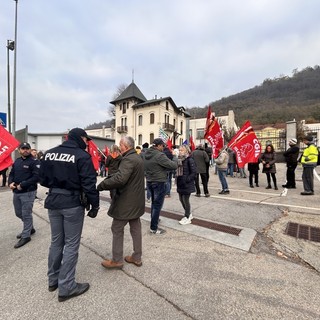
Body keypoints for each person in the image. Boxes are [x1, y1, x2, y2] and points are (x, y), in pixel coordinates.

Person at [39, 128, 100, 302]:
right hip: (72, 203)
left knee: (56, 242)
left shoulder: (49, 154)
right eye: (86, 140)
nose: (87, 143)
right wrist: (94, 205)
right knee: (72, 245)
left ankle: (53, 280)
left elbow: (42, 179)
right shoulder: (81, 156)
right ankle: (67, 286)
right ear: (79, 138)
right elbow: (89, 183)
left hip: (54, 201)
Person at [97, 136, 145, 269]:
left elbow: (120, 179)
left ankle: (117, 260)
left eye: (120, 144)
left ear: (125, 145)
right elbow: (122, 175)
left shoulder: (129, 158)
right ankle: (137, 257)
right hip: (136, 200)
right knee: (136, 228)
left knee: (117, 228)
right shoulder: (137, 157)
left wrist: (102, 185)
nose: (119, 147)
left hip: (127, 201)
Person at [8, 142, 40, 248]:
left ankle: (26, 235)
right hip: (16, 191)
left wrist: (22, 184)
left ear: (30, 150)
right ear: (19, 150)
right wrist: (10, 182)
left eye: (27, 148)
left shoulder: (34, 162)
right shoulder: (17, 161)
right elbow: (12, 173)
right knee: (18, 213)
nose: (25, 150)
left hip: (28, 192)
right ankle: (30, 228)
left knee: (26, 214)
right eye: (23, 148)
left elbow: (36, 177)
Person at [144, 138, 178, 234]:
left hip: (149, 180)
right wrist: (175, 157)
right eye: (163, 145)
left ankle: (154, 219)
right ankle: (154, 228)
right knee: (157, 205)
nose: (163, 147)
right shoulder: (159, 155)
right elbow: (173, 165)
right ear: (158, 146)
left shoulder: (147, 154)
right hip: (158, 181)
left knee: (154, 203)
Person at [176, 145, 197, 225]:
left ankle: (187, 217)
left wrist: (187, 179)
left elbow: (194, 172)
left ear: (186, 151)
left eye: (182, 150)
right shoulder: (179, 160)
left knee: (185, 200)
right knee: (181, 199)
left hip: (186, 183)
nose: (180, 151)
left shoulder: (189, 159)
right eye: (180, 150)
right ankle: (188, 214)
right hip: (180, 182)